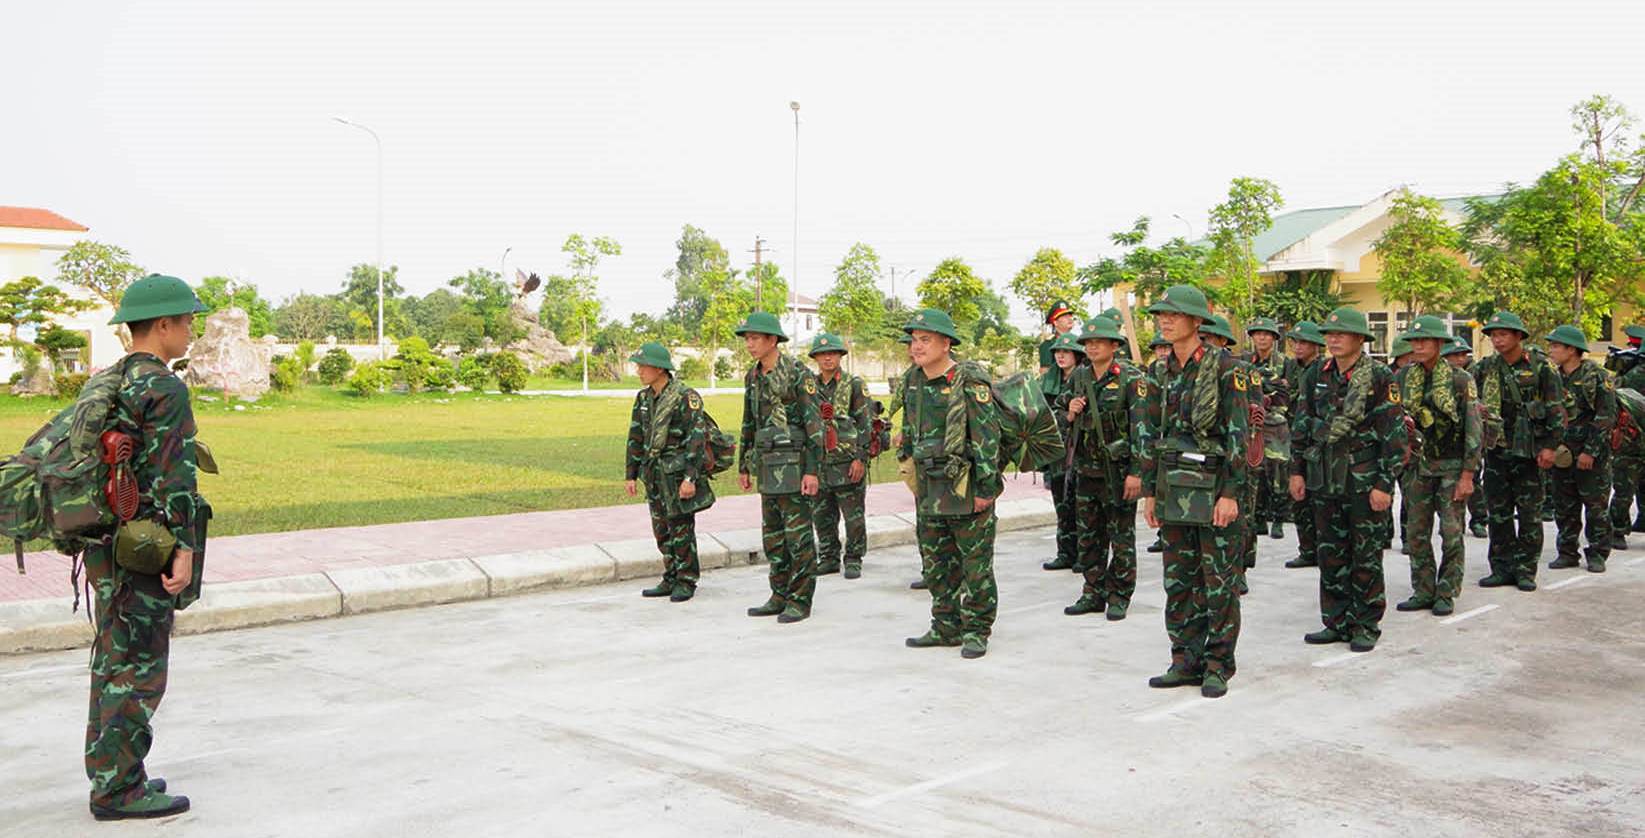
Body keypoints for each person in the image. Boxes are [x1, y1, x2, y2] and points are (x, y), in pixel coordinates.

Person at [85, 274, 208, 821]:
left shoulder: (112, 380)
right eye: (186, 322)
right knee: (138, 669)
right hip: (144, 549)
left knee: (112, 662)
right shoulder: (164, 388)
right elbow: (174, 479)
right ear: (162, 325)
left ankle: (113, 774)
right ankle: (118, 792)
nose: (190, 331)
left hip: (106, 543)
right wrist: (184, 549)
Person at [1136, 286, 1249, 699]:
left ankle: (1218, 664)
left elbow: (1239, 433)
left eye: (1175, 314)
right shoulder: (1158, 372)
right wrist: (1150, 491)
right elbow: (1149, 434)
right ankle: (1184, 660)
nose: (1165, 321)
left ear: (1197, 321)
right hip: (1174, 488)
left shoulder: (1227, 369)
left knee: (1218, 581)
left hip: (1214, 486)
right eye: (1161, 315)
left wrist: (1231, 493)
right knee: (1179, 580)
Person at [1291, 307, 1406, 653]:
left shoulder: (1380, 376)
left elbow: (1393, 435)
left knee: (1365, 555)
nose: (1334, 339)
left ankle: (1366, 623)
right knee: (1330, 553)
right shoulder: (1316, 373)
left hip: (1363, 479)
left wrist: (1384, 484)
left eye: (1341, 334)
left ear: (1359, 338)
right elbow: (1301, 423)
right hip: (1325, 478)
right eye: (1329, 334)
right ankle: (1336, 621)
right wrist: (1296, 470)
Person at [901, 308, 1003, 659]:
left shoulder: (968, 381)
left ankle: (976, 630)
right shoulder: (913, 381)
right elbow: (909, 429)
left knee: (975, 565)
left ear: (946, 344)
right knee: (936, 561)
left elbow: (987, 437)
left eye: (925, 340)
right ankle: (945, 626)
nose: (917, 346)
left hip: (966, 485)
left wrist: (986, 489)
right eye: (914, 340)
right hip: (930, 486)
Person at [734, 311, 825, 623]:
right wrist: (744, 465)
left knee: (798, 538)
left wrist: (812, 471)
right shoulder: (753, 376)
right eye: (747, 339)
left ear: (772, 340)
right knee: (773, 536)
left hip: (795, 467)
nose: (749, 344)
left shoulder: (798, 374)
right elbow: (749, 422)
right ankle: (779, 594)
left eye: (755, 338)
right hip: (767, 465)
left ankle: (800, 600)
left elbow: (815, 426)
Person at [1392, 316, 1481, 616]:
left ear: (1440, 343)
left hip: (1451, 465)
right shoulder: (1404, 377)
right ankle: (1423, 589)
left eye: (1424, 340)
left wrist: (1468, 474)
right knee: (1416, 531)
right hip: (1417, 466)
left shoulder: (1460, 379)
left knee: (1451, 532)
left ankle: (1446, 591)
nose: (1417, 345)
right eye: (1414, 340)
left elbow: (1473, 427)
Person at [1059, 316, 1146, 620]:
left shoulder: (1131, 378)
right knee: (1089, 537)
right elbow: (1058, 414)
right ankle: (1092, 592)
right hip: (1086, 472)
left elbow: (1141, 430)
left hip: (1117, 473)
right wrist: (1069, 413)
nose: (1092, 347)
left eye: (1099, 342)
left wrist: (1137, 473)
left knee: (1121, 538)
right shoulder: (1079, 377)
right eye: (1088, 342)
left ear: (1114, 345)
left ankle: (1119, 595)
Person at [1474, 312, 1566, 591]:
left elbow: (1556, 410)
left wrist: (1550, 446)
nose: (1497, 340)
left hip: (1529, 452)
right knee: (1498, 513)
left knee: (1529, 514)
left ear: (1518, 336)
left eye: (1503, 334)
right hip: (1497, 450)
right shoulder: (1486, 367)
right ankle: (1501, 568)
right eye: (1493, 335)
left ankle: (1526, 570)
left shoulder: (1541, 367)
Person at [624, 341, 712, 602]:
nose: (639, 371)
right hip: (654, 475)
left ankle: (686, 579)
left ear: (660, 368)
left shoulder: (685, 397)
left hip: (676, 475)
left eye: (644, 366)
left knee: (681, 528)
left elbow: (696, 439)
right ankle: (671, 575)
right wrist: (631, 473)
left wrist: (690, 478)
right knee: (661, 528)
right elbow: (635, 436)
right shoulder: (643, 399)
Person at [1545, 325, 1617, 574]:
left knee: (1595, 507)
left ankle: (1597, 553)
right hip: (1562, 453)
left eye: (1556, 346)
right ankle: (1567, 552)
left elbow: (1606, 416)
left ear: (1571, 350)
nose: (1551, 350)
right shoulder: (1552, 377)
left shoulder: (1596, 376)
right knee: (1564, 506)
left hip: (1590, 455)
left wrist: (1590, 451)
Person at [1200, 315, 1260, 593]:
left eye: (1207, 338)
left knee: (1242, 514)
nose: (1202, 343)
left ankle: (1241, 568)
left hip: (1237, 453)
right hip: (1204, 460)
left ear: (1222, 340)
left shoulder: (1241, 370)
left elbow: (1255, 412)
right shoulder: (1194, 369)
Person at [806, 333, 871, 579]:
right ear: (815, 358)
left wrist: (860, 458)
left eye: (832, 353)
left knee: (853, 517)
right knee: (822, 515)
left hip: (846, 462)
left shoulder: (853, 384)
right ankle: (829, 557)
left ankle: (853, 558)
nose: (827, 358)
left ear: (840, 356)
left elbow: (865, 423)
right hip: (820, 463)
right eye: (822, 354)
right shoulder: (809, 387)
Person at [1284, 320, 1326, 569]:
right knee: (1299, 499)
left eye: (1304, 342)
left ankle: (1320, 549)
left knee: (1318, 500)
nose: (1298, 347)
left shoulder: (1322, 370)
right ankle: (1307, 549)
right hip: (1292, 436)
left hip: (1315, 442)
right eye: (1295, 342)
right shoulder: (1290, 368)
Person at [1040, 332, 1084, 572]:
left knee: (1081, 504)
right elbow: (1043, 414)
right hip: (1057, 450)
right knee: (1061, 502)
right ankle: (1065, 552)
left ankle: (1083, 555)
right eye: (1057, 351)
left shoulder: (1085, 378)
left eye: (1066, 351)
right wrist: (1067, 416)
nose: (1060, 356)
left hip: (1080, 450)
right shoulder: (1048, 382)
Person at [1444, 338, 1491, 538]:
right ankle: (1457, 523)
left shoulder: (1474, 373)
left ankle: (1479, 519)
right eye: (1454, 355)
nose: (1459, 359)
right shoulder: (1439, 376)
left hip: (1471, 435)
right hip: (1448, 440)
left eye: (1463, 354)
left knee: (1473, 479)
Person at [1037, 299, 1079, 375]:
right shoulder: (1048, 345)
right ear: (1055, 322)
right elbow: (1045, 374)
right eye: (1065, 316)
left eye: (1070, 316)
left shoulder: (1078, 342)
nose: (1070, 319)